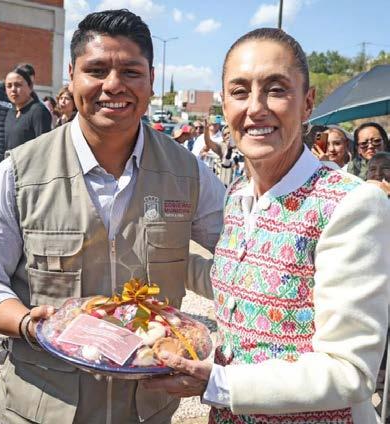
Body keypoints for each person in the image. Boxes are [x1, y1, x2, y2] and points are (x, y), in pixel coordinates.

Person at [0, 9, 225, 424]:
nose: (113, 85)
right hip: (38, 409)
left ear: (151, 79)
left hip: (147, 412)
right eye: (96, 70)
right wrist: (26, 324)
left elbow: (244, 259)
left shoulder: (189, 174)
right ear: (71, 76)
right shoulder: (18, 174)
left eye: (131, 71)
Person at [146, 27, 390, 424]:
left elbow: (349, 370)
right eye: (240, 92)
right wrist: (152, 253)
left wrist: (219, 383)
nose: (256, 107)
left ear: (307, 103)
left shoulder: (350, 204)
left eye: (276, 90)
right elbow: (241, 287)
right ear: (224, 104)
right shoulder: (238, 195)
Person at [4, 67, 52, 149]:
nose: (13, 89)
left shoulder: (38, 111)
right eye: (9, 86)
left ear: (30, 87)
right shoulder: (11, 112)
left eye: (18, 85)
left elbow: (44, 148)